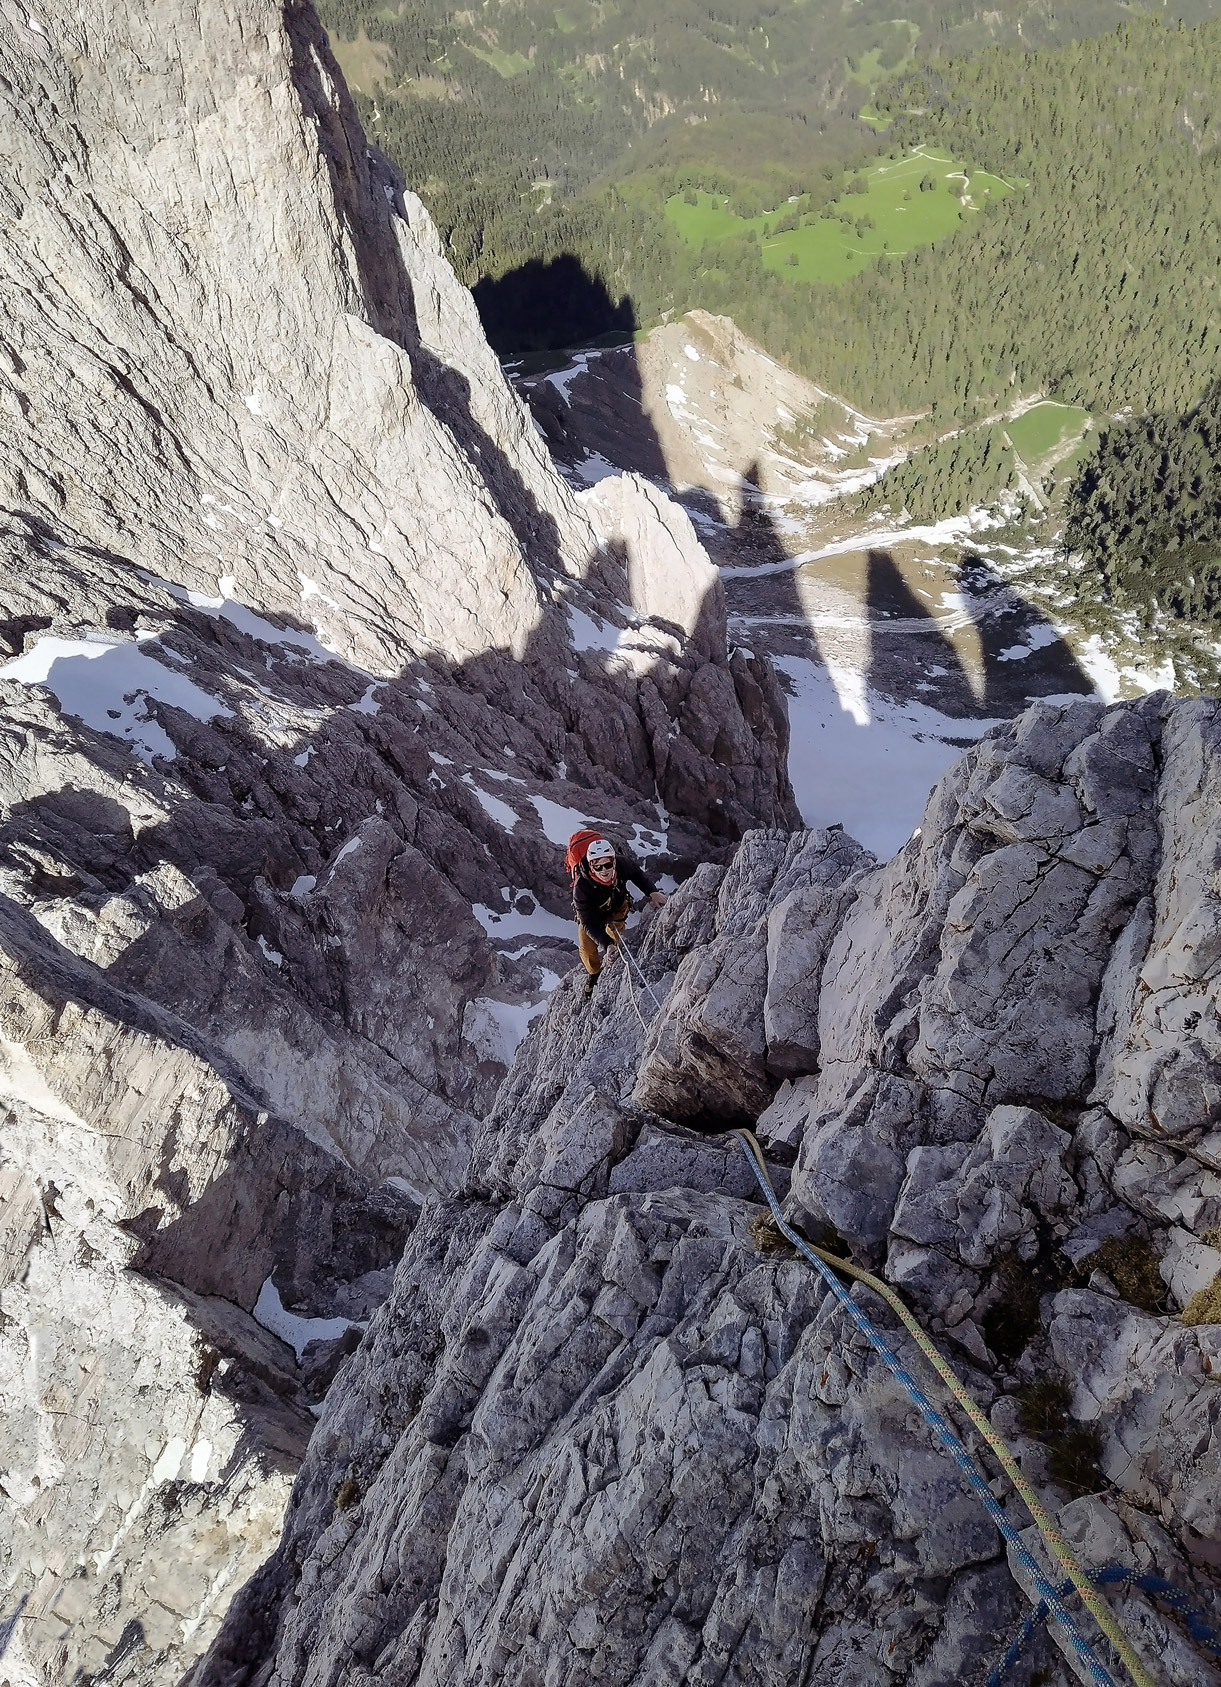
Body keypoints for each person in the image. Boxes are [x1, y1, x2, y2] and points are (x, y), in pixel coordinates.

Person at [568, 832, 667, 995]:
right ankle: (594, 973)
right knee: (587, 948)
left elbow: (637, 875)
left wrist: (652, 892)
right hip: (592, 915)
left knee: (616, 934)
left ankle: (614, 949)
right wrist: (606, 944)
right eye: (597, 866)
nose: (604, 870)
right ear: (591, 866)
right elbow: (588, 922)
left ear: (613, 861)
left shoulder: (622, 864)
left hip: (617, 904)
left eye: (607, 865)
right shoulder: (581, 887)